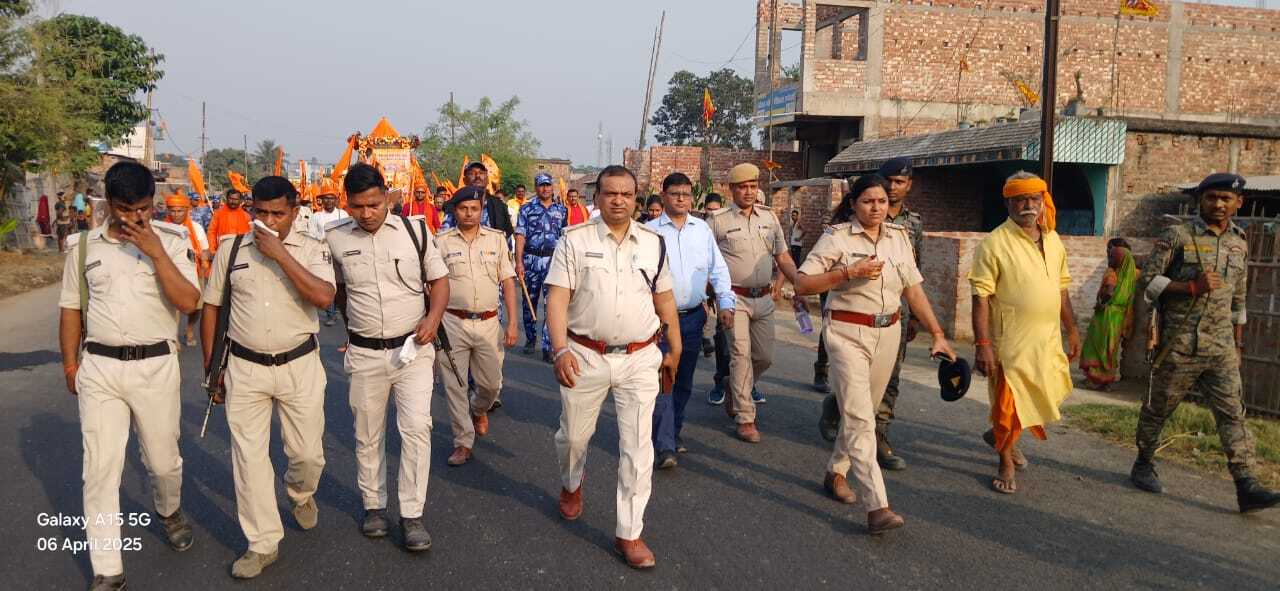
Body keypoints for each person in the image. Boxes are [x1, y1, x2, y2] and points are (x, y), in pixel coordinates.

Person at [57, 161, 201, 591]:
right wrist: (70, 365)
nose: (136, 217)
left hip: (156, 366)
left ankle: (169, 510)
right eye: (125, 209)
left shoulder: (172, 242)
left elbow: (189, 302)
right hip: (100, 368)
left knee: (162, 461)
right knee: (100, 469)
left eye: (143, 208)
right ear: (109, 203)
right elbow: (71, 309)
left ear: (152, 202)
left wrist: (155, 252)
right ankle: (108, 568)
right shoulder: (83, 247)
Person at [795, 173, 955, 535]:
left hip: (888, 332)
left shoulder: (899, 238)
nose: (876, 208)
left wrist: (938, 334)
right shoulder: (837, 237)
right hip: (846, 332)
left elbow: (913, 290)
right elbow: (802, 283)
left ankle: (836, 471)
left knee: (861, 410)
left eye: (881, 201)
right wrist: (847, 272)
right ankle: (877, 505)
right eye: (868, 201)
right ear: (853, 204)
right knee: (860, 418)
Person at [545, 165, 680, 569]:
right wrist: (559, 350)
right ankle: (572, 483)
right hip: (584, 354)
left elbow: (664, 298)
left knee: (638, 447)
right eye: (610, 193)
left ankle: (629, 532)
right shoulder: (574, 240)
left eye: (626, 194)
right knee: (573, 438)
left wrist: (675, 344)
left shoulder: (653, 243)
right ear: (597, 197)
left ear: (636, 198)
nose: (618, 200)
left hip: (640, 357)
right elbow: (557, 299)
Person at [201, 176, 336, 578]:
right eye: (261, 213)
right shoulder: (232, 249)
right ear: (250, 210)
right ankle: (262, 543)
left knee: (307, 454)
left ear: (295, 211)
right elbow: (211, 308)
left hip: (299, 364)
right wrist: (212, 368)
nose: (269, 221)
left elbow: (323, 297)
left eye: (278, 213)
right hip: (245, 368)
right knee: (248, 458)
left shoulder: (313, 248)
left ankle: (301, 493)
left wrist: (280, 254)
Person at [1131, 173, 1280, 512]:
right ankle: (1143, 462)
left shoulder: (1239, 242)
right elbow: (1147, 281)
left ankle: (1246, 483)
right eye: (1211, 197)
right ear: (1200, 200)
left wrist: (1238, 346)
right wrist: (1190, 288)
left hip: (1220, 347)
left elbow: (1238, 299)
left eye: (1226, 198)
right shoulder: (1178, 236)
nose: (1218, 204)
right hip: (1179, 344)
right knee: (1158, 409)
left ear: (1239, 202)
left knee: (1232, 414)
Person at [325, 163, 449, 550]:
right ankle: (374, 506)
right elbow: (339, 292)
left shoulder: (415, 232)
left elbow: (439, 281)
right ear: (347, 203)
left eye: (374, 204)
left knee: (416, 429)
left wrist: (433, 318)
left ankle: (412, 515)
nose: (366, 213)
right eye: (358, 206)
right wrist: (352, 330)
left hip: (413, 350)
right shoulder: (334, 239)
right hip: (365, 353)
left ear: (387, 197)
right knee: (367, 433)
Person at [969, 171, 1081, 494]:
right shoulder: (994, 243)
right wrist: (982, 344)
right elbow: (980, 298)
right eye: (1020, 200)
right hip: (1010, 341)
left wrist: (1072, 330)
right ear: (1008, 203)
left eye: (1033, 198)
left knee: (1040, 394)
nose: (1028, 205)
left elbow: (1062, 291)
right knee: (1008, 402)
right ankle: (1005, 460)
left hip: (1047, 340)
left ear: (1043, 201)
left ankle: (1001, 433)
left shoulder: (1054, 240)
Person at [818, 156, 924, 470]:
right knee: (854, 383)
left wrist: (917, 317)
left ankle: (879, 435)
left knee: (890, 378)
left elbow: (915, 272)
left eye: (900, 182)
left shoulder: (912, 224)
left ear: (909, 186)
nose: (892, 188)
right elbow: (827, 268)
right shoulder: (850, 219)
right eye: (888, 180)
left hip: (894, 311)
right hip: (853, 311)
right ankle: (842, 414)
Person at [706, 163, 802, 442]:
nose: (748, 192)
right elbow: (706, 261)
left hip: (764, 298)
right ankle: (745, 417)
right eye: (742, 187)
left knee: (764, 357)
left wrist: (799, 281)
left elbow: (782, 256)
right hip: (734, 298)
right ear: (731, 189)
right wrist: (713, 296)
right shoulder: (717, 220)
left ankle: (734, 386)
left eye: (752, 186)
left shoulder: (769, 218)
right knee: (740, 354)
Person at [645, 173, 734, 469]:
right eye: (675, 193)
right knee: (664, 378)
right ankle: (664, 444)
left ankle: (672, 431)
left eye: (686, 193)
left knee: (684, 379)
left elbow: (718, 268)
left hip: (694, 317)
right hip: (659, 320)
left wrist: (726, 301)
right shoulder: (649, 232)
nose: (681, 198)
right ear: (664, 195)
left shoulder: (702, 230)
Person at [434, 186, 521, 466]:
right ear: (455, 211)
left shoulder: (496, 240)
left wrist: (513, 323)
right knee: (455, 385)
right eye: (463, 209)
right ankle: (463, 441)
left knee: (491, 385)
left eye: (474, 209)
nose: (469, 214)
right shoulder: (441, 242)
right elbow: (431, 284)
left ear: (481, 210)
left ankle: (478, 408)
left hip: (488, 323)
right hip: (452, 322)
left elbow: (508, 282)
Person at [514, 172, 569, 361]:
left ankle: (548, 346)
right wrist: (518, 261)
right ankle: (530, 338)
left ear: (552, 187)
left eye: (547, 185)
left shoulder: (562, 210)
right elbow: (520, 235)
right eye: (541, 185)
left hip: (553, 262)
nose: (545, 189)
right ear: (536, 188)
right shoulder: (526, 209)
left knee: (551, 304)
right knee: (529, 302)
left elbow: (565, 237)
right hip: (531, 259)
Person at [1079, 238, 1138, 389]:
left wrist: (1101, 303)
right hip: (1120, 317)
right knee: (1111, 349)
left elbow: (1109, 291)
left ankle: (1095, 379)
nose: (1108, 256)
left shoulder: (1111, 273)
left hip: (1106, 314)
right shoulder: (1133, 274)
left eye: (1111, 254)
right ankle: (1106, 381)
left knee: (1098, 346)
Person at [165, 191, 211, 347]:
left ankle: (189, 330)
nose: (176, 214)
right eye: (172, 210)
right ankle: (174, 338)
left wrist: (204, 257)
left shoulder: (196, 228)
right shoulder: (162, 228)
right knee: (173, 307)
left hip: (194, 272)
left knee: (197, 308)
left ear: (187, 210)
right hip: (170, 273)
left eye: (180, 210)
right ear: (168, 210)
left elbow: (206, 250)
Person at [441, 162, 513, 237]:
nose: (478, 176)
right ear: (464, 180)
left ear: (487, 179)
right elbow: (445, 235)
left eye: (481, 173)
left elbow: (507, 238)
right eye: (472, 173)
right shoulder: (454, 204)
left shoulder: (499, 205)